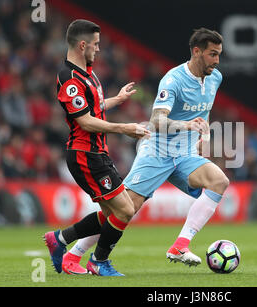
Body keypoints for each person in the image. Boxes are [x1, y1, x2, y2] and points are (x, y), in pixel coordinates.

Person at [61, 28, 229, 272]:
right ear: (196, 52)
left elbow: (204, 108)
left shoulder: (215, 77)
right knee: (125, 208)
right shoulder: (173, 80)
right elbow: (157, 121)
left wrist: (202, 135)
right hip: (157, 151)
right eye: (213, 54)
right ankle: (73, 255)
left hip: (184, 154)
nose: (217, 60)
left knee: (219, 181)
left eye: (219, 55)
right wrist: (186, 124)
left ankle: (180, 245)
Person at [43, 19, 150, 277]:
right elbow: (85, 121)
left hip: (97, 153)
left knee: (111, 213)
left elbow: (94, 108)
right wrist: (125, 128)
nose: (98, 49)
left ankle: (60, 239)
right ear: (83, 45)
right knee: (125, 210)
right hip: (85, 155)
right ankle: (98, 261)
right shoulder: (68, 78)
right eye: (96, 44)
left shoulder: (88, 74)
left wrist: (118, 99)